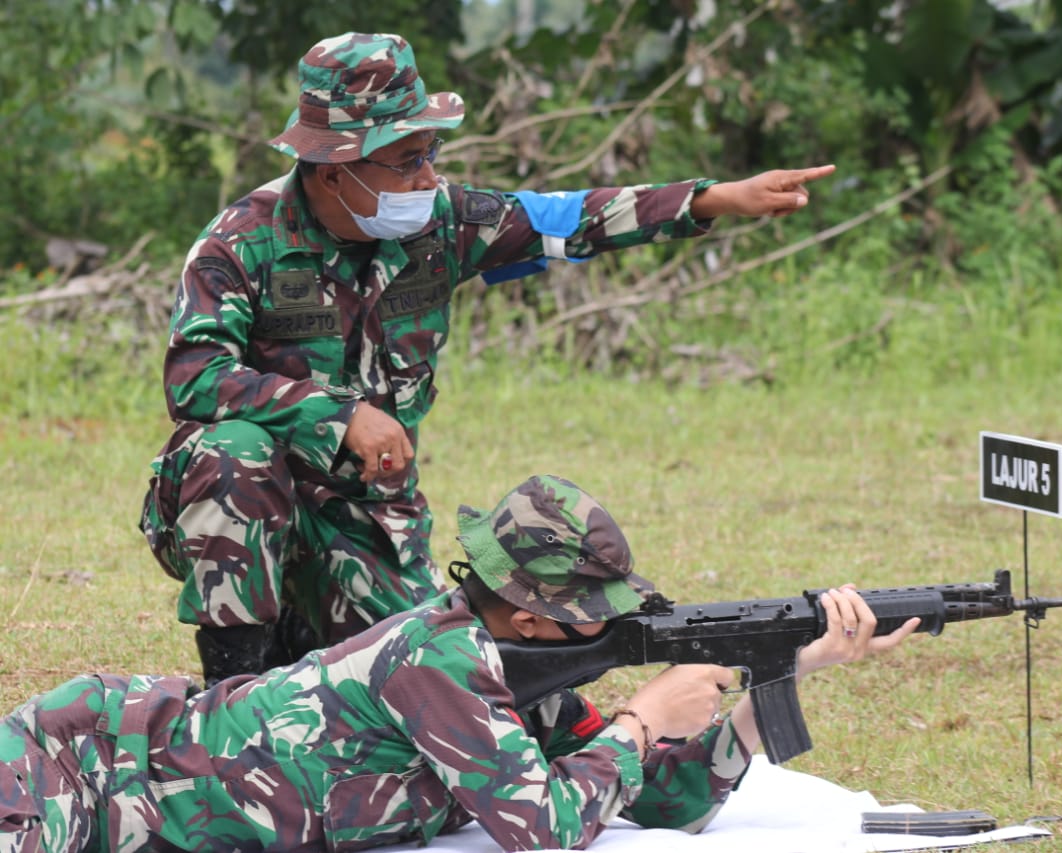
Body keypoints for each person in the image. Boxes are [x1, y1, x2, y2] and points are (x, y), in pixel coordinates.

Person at [136, 31, 838, 686]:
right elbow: (195, 377)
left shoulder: (442, 223)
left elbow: (568, 217)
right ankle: (229, 697)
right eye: (408, 159)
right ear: (332, 169)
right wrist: (339, 414)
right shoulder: (241, 244)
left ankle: (301, 631)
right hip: (253, 501)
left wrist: (715, 199)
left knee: (420, 678)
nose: (428, 175)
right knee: (230, 451)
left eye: (430, 153)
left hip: (370, 515)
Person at [9, 475, 918, 852]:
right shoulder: (436, 660)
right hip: (88, 758)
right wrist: (642, 716)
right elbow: (543, 826)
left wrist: (784, 675)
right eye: (587, 614)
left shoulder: (526, 671)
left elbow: (658, 799)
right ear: (526, 611)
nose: (603, 628)